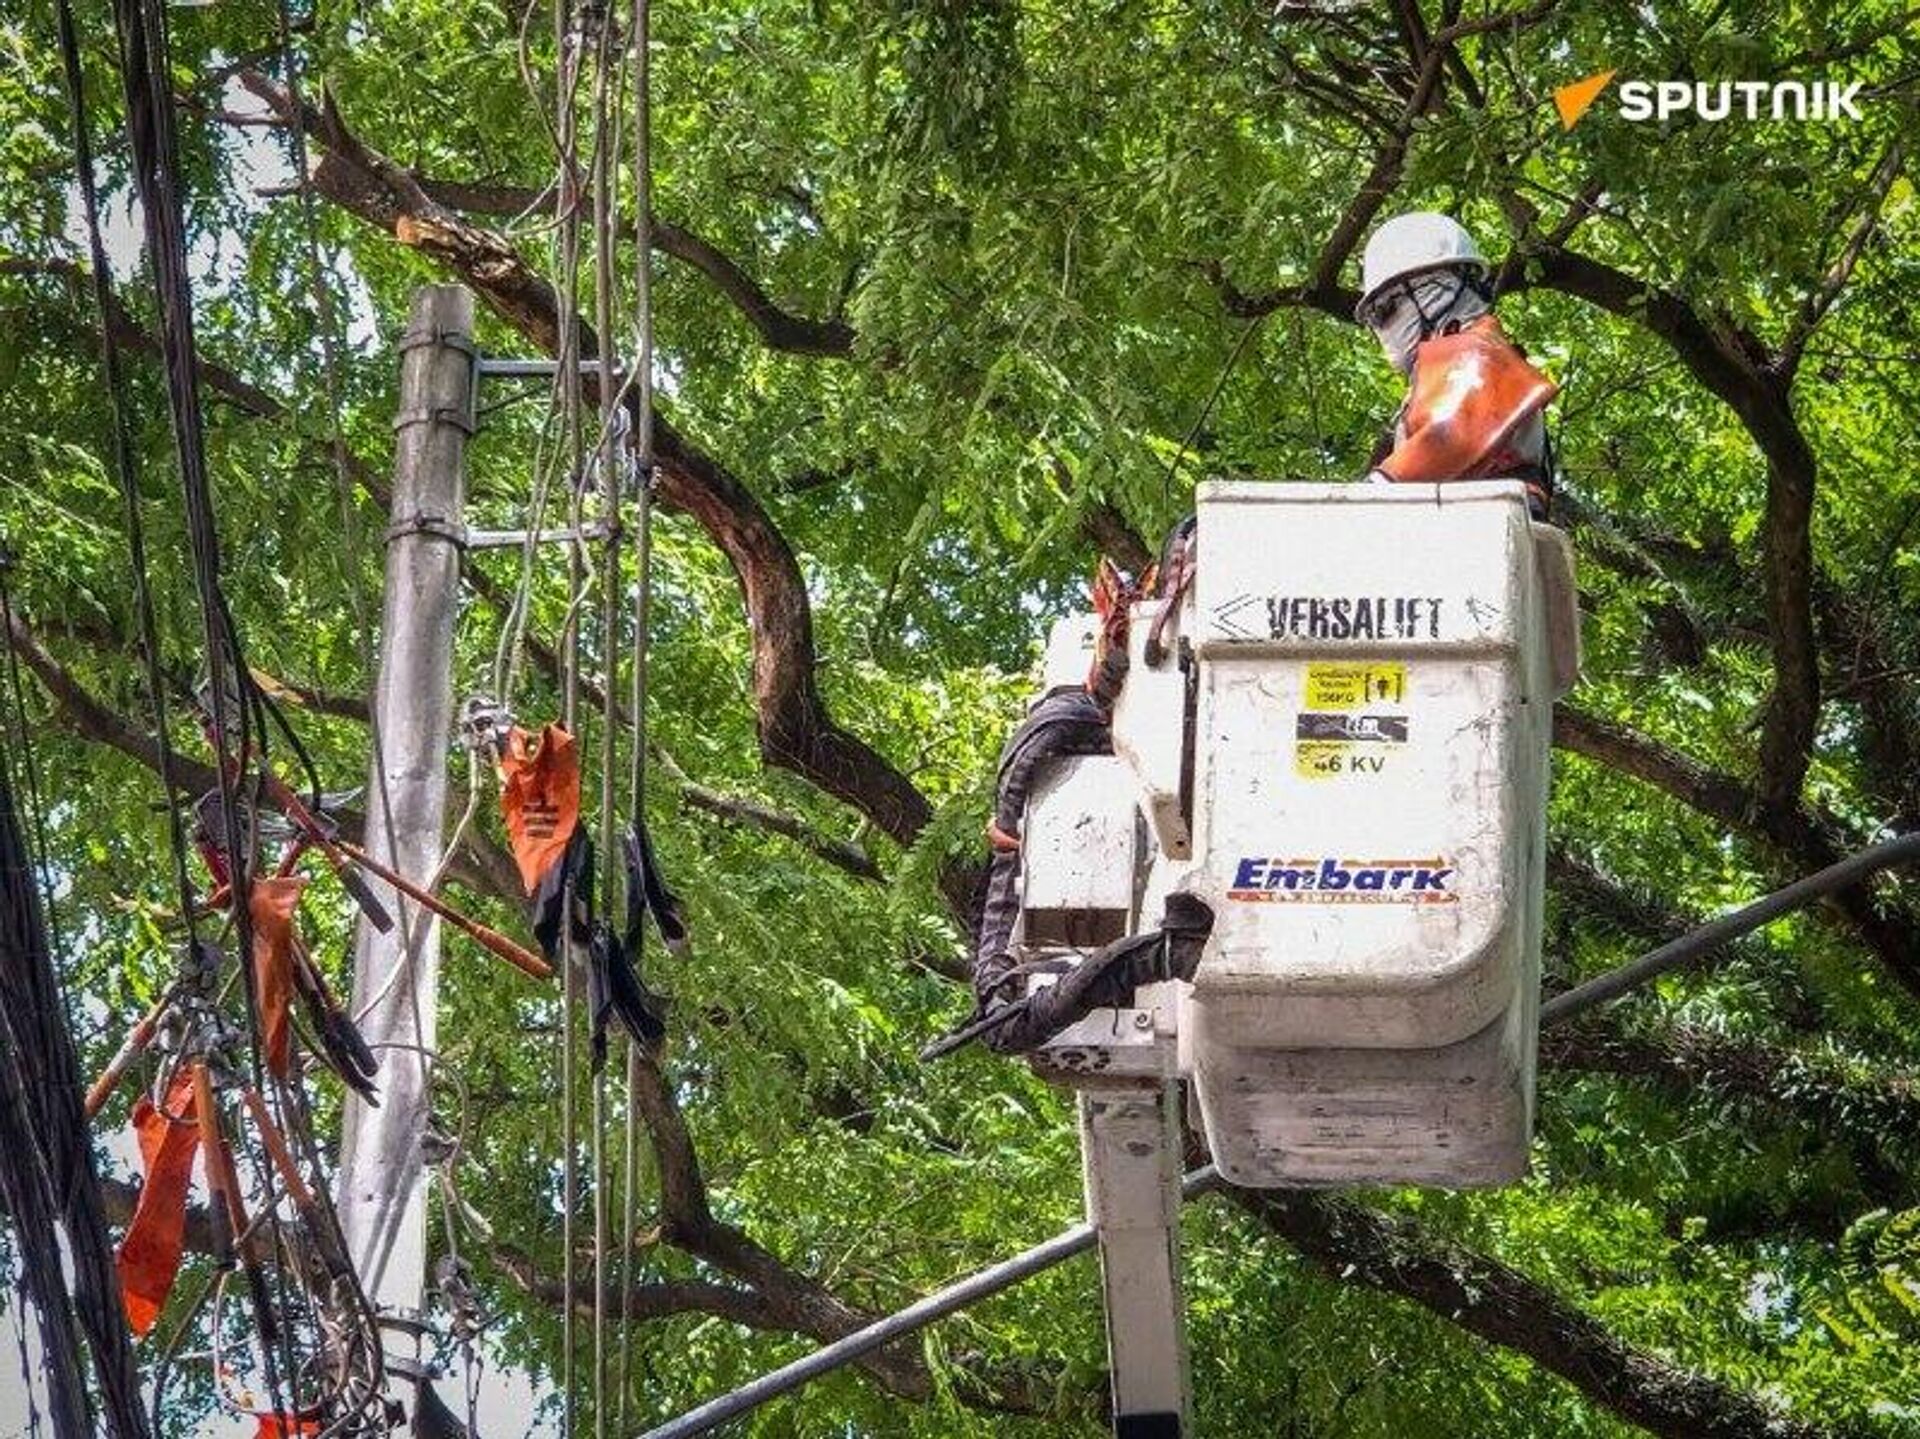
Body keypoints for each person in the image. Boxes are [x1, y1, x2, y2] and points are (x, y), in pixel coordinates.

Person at [1354, 212, 1559, 517]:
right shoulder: (1449, 370)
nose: (1384, 329)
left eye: (1386, 311)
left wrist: (1369, 493)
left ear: (1441, 289)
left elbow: (1447, 435)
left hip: (1481, 528)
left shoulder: (1479, 355)